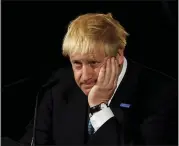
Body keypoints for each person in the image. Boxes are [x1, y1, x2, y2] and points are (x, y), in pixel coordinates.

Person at [19, 13, 177, 146]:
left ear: (119, 55)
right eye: (77, 64)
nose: (86, 76)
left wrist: (98, 107)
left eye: (93, 63)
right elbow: (32, 141)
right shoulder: (58, 86)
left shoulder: (164, 93)